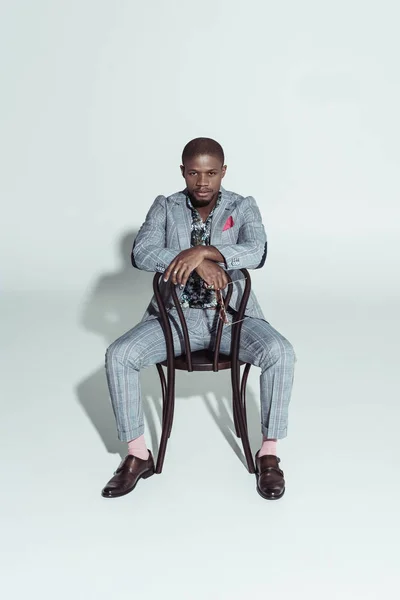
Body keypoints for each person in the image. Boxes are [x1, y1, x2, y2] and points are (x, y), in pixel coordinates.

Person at [101, 137, 296, 500]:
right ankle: (137, 454)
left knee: (281, 352)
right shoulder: (165, 206)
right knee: (119, 355)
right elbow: (142, 252)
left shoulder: (243, 206)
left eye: (210, 173)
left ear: (223, 172)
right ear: (183, 172)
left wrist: (205, 250)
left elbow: (256, 250)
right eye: (194, 173)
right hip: (175, 320)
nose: (202, 182)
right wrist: (196, 262)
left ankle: (268, 454)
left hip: (231, 319)